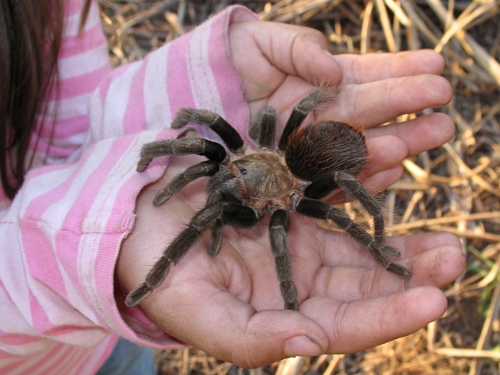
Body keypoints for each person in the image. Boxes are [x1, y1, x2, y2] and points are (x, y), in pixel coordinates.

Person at [0, 0, 465, 373]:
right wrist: (154, 180)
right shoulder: (236, 154)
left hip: (301, 169)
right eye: (228, 171)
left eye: (230, 172)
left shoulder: (275, 173)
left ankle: (381, 251)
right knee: (206, 154)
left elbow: (289, 115)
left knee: (302, 208)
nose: (223, 175)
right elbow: (204, 131)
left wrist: (217, 76)